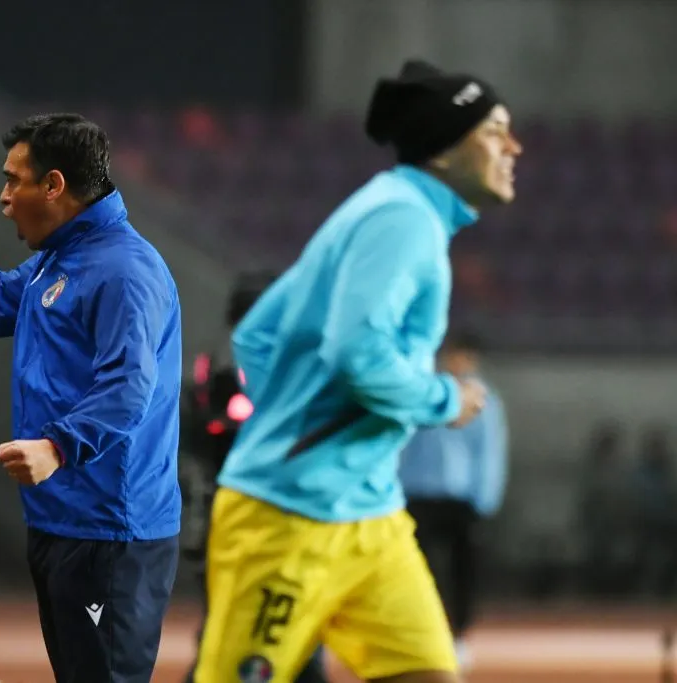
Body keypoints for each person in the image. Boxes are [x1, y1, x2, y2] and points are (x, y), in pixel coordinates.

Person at [193, 59, 522, 683]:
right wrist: (443, 400)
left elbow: (260, 331)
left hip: (370, 516)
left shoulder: (393, 210)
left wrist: (293, 420)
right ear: (446, 149)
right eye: (494, 130)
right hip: (288, 521)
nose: (514, 146)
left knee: (426, 673)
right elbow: (358, 355)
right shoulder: (402, 219)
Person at [0, 113, 183, 683]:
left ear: (53, 186)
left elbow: (129, 388)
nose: (1, 198)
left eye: (13, 180)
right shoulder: (62, 257)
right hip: (63, 518)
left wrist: (56, 446)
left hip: (112, 530)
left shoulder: (124, 270)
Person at [181, 271, 331, 683]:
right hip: (266, 516)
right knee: (284, 631)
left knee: (228, 627)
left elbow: (195, 443)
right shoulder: (261, 367)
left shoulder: (206, 365)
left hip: (226, 514)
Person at [399, 330, 508, 672]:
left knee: (463, 572)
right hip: (419, 496)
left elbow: (488, 452)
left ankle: (458, 635)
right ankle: (421, 636)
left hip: (461, 498)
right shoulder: (425, 393)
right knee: (419, 572)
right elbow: (404, 447)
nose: (456, 360)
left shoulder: (482, 399)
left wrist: (484, 498)